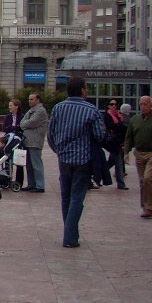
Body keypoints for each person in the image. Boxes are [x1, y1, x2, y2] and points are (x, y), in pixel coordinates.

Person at [47, 77, 106, 247]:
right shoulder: (91, 110)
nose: (87, 91)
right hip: (83, 159)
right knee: (77, 197)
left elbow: (51, 134)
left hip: (64, 158)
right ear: (82, 90)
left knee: (66, 196)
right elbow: (100, 136)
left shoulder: (58, 108)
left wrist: (58, 150)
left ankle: (70, 233)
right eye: (86, 88)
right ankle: (70, 237)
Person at [124, 95, 152, 218]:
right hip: (139, 153)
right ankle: (145, 207)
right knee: (142, 182)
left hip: (151, 153)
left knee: (147, 178)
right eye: (141, 104)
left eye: (145, 104)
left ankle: (149, 207)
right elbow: (129, 137)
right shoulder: (135, 119)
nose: (143, 106)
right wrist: (126, 152)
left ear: (151, 105)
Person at [19, 92, 49, 192]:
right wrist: (25, 124)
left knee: (36, 164)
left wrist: (24, 125)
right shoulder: (31, 110)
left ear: (37, 100)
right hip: (27, 141)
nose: (29, 101)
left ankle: (40, 186)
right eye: (29, 99)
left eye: (31, 99)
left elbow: (32, 123)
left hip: (35, 141)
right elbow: (22, 122)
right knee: (29, 164)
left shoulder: (41, 111)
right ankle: (31, 184)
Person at [103, 99, 128, 190]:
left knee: (111, 162)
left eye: (115, 104)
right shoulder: (107, 115)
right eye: (111, 104)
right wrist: (120, 127)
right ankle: (121, 184)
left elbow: (122, 126)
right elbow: (111, 126)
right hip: (113, 142)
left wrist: (120, 127)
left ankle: (96, 175)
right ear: (108, 106)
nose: (114, 106)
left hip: (119, 141)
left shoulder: (118, 115)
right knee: (118, 162)